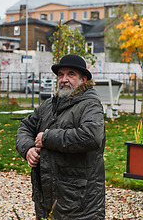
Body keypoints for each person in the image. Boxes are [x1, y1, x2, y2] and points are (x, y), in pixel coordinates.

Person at [16, 54, 106, 220]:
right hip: (47, 196)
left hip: (80, 201)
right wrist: (27, 148)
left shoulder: (90, 104)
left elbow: (91, 136)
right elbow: (26, 126)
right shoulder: (50, 105)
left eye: (71, 74)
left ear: (83, 79)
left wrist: (47, 137)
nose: (64, 79)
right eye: (60, 75)